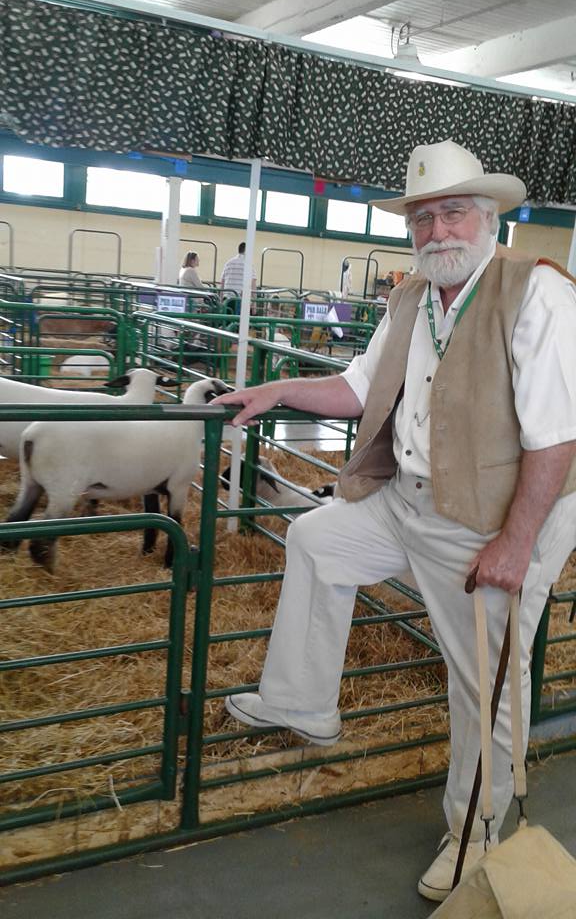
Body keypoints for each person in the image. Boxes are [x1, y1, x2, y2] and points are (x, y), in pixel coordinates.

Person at [211, 139, 576, 902]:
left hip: (492, 516)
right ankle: (303, 702)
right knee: (318, 537)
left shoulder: (535, 293)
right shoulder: (412, 296)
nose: (437, 231)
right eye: (423, 219)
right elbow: (358, 385)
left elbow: (558, 438)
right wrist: (276, 391)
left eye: (453, 213)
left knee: (484, 684)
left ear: (488, 217)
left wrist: (516, 543)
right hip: (410, 496)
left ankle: (476, 834)